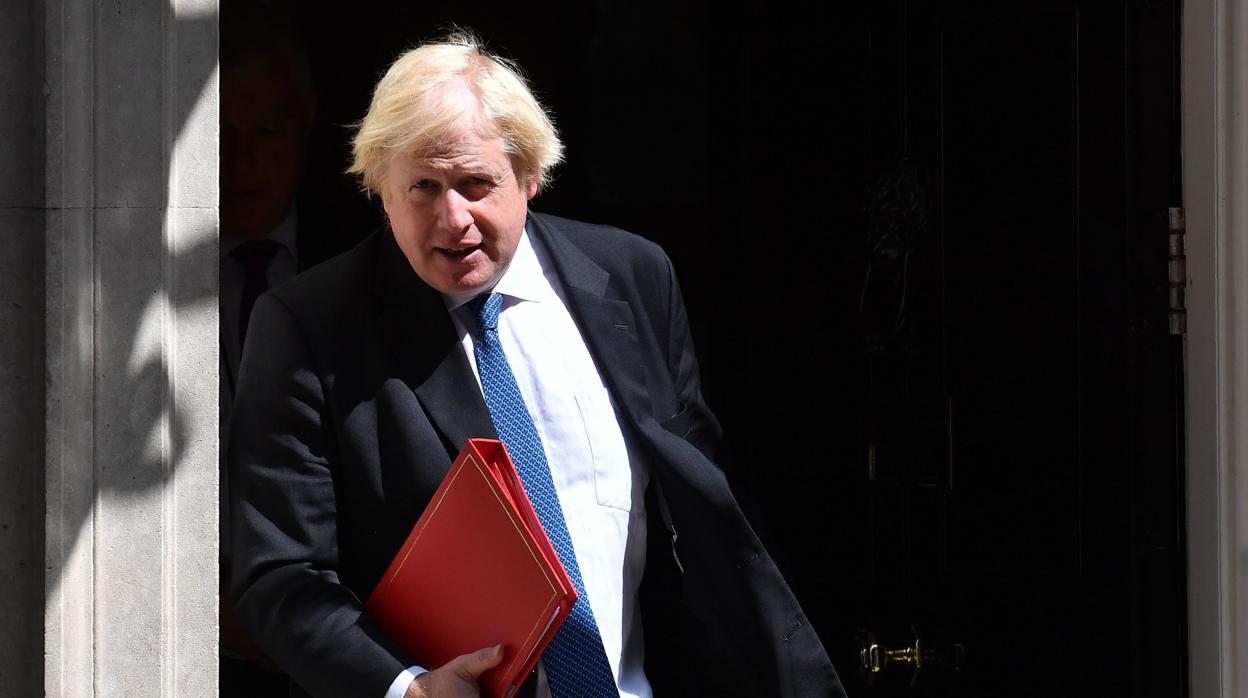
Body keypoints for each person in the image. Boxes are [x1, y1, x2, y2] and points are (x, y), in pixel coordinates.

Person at [228, 30, 846, 698]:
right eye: (424, 187)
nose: (453, 218)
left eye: (476, 183)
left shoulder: (631, 277)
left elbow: (707, 508)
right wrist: (409, 688)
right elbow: (280, 577)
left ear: (530, 176)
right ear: (381, 190)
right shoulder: (309, 327)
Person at [219, 1, 369, 693]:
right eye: (216, 133)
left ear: (309, 116)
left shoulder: (374, 262)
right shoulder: (130, 276)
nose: (239, 160)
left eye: (267, 129)